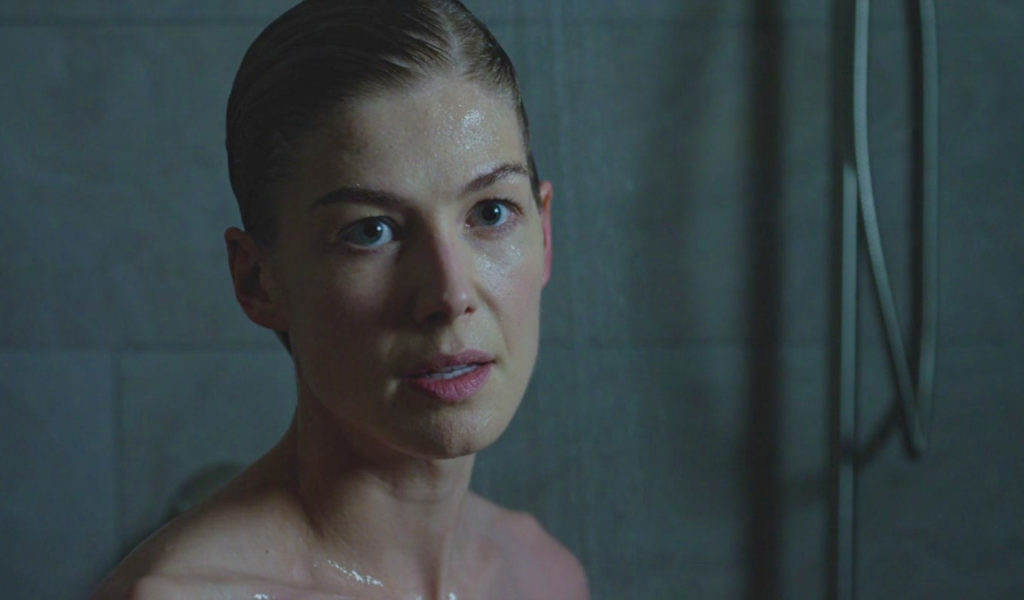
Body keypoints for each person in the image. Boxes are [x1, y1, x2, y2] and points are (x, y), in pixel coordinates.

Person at [89, 0, 589, 598]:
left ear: (545, 233)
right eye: (371, 231)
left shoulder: (543, 576)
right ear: (257, 282)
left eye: (491, 213)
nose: (450, 294)